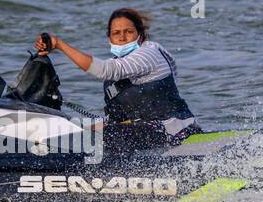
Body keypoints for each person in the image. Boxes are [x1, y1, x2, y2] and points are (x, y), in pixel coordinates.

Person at [35, 8, 200, 149]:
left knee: (102, 137)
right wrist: (75, 129)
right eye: (116, 33)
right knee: (74, 131)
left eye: (128, 32)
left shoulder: (148, 54)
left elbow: (105, 70)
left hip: (176, 131)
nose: (122, 38)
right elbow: (118, 119)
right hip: (146, 130)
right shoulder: (122, 67)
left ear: (140, 35)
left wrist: (59, 44)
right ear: (110, 39)